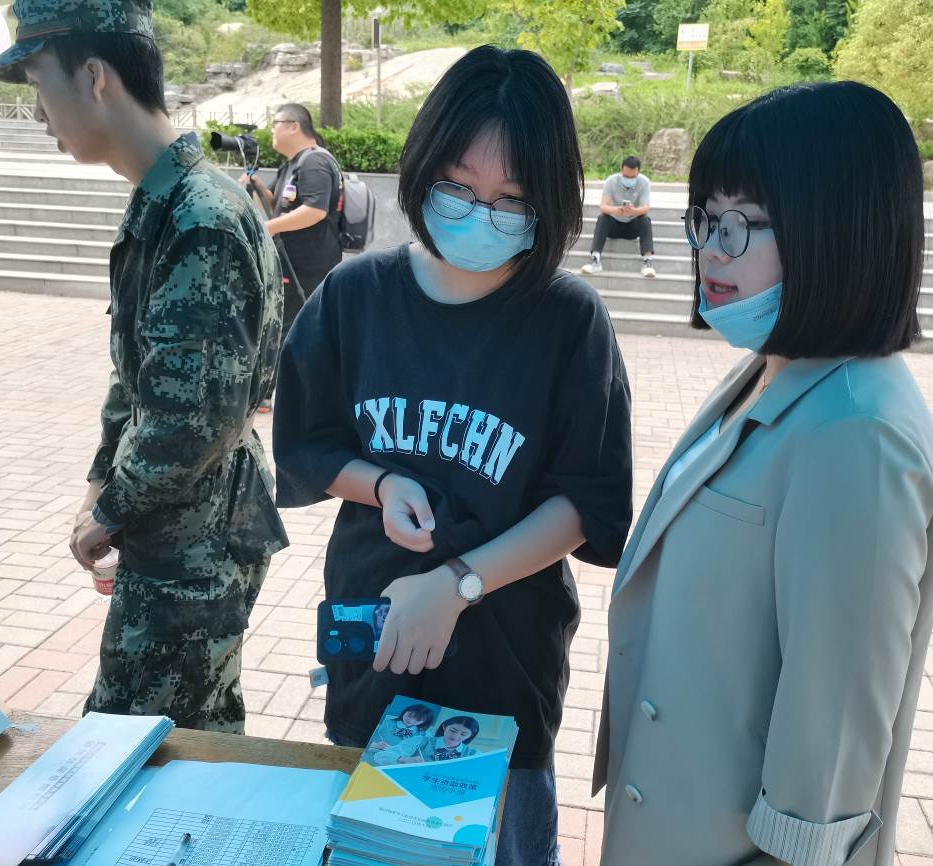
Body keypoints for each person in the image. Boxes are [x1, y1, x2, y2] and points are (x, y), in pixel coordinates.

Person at [274, 45, 633, 866]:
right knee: (370, 847)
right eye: (460, 188)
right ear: (424, 166)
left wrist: (457, 584)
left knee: (499, 846)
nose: (482, 214)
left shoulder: (567, 320)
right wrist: (380, 481)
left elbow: (585, 499)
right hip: (375, 633)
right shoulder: (355, 297)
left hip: (503, 653)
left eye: (512, 199)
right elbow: (307, 443)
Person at [593, 80, 933, 866]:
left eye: (743, 223)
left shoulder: (857, 433)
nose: (710, 250)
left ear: (840, 230)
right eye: (704, 219)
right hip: (676, 816)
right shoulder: (778, 367)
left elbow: (832, 731)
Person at [0, 0, 288, 733]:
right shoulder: (164, 202)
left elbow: (192, 418)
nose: (38, 114)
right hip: (180, 528)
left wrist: (111, 508)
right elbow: (137, 378)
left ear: (94, 77)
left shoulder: (198, 218)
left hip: (196, 542)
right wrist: (101, 485)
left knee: (136, 744)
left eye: (38, 83)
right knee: (187, 740)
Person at [244, 103, 343, 337]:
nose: (272, 130)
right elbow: (274, 205)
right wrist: (255, 185)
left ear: (293, 127)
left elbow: (315, 210)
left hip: (307, 269)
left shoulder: (314, 162)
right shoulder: (292, 164)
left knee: (292, 332)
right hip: (293, 264)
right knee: (286, 330)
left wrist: (268, 228)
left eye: (275, 124)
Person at [580, 156, 656, 278]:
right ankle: (595, 260)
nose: (629, 179)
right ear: (621, 170)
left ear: (638, 172)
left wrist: (633, 211)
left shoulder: (644, 182)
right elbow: (603, 206)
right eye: (626, 176)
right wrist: (616, 210)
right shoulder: (611, 181)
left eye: (632, 177)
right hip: (614, 225)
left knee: (645, 219)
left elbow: (645, 208)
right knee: (602, 218)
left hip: (632, 227)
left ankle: (647, 262)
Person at [372, 715, 481, 766]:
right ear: (444, 727)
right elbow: (380, 756)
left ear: (470, 736)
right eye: (452, 730)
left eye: (463, 734)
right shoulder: (420, 740)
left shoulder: (474, 755)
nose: (456, 736)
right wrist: (403, 759)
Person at [368, 702, 436, 750]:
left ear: (423, 722)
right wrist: (375, 745)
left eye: (418, 720)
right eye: (409, 716)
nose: (411, 720)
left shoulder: (420, 735)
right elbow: (368, 740)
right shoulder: (387, 723)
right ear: (405, 712)